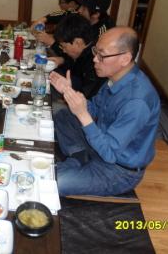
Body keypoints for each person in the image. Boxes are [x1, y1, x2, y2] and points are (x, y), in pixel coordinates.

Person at [52, 27, 160, 196]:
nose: (95, 59)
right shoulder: (115, 78)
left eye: (102, 55)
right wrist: (70, 93)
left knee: (52, 182)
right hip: (98, 145)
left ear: (125, 58)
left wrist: (82, 113)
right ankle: (79, 155)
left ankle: (78, 158)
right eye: (96, 51)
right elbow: (95, 108)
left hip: (117, 170)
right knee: (61, 111)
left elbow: (110, 154)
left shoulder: (137, 102)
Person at [49, 13, 106, 99]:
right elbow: (72, 65)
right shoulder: (81, 53)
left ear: (78, 43)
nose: (63, 50)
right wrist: (62, 60)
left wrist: (66, 93)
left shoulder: (94, 62)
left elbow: (86, 96)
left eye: (64, 46)